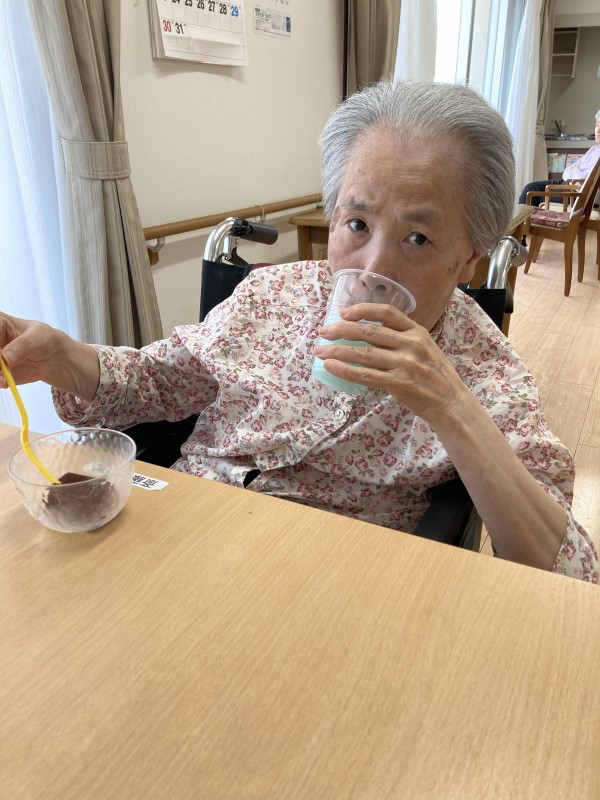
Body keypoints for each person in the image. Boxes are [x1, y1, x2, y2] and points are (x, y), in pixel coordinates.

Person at [0, 80, 597, 582]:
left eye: (418, 238)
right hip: (183, 534)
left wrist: (450, 406)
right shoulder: (270, 294)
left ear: (468, 259)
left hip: (323, 582)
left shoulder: (484, 372)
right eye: (357, 223)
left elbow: (569, 574)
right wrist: (61, 357)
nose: (373, 267)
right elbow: (160, 380)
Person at [519, 109, 600, 207]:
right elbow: (568, 170)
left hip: (579, 194)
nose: (598, 130)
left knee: (535, 198)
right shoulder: (594, 149)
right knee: (530, 188)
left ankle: (526, 217)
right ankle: (519, 218)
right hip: (567, 183)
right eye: (597, 125)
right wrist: (574, 172)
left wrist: (574, 172)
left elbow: (585, 181)